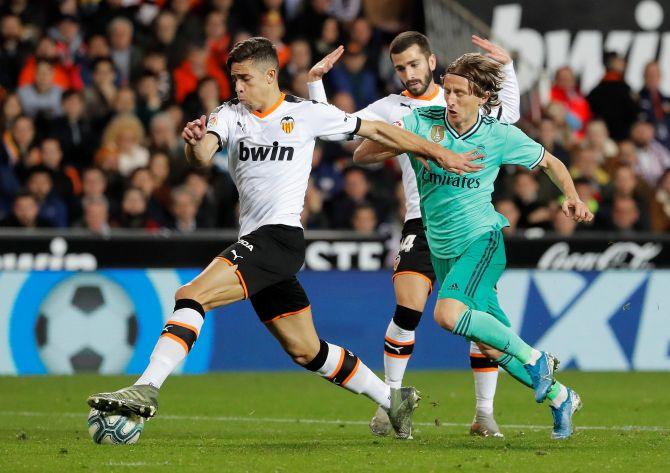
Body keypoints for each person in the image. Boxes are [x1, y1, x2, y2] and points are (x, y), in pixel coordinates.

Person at [86, 37, 480, 440]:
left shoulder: (306, 114)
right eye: (233, 79)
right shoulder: (229, 114)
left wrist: (440, 153)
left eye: (245, 79)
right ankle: (393, 400)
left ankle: (148, 386)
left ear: (270, 75)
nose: (238, 88)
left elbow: (378, 129)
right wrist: (193, 144)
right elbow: (203, 155)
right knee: (306, 350)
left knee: (191, 295)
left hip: (280, 237)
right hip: (258, 242)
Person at [354, 52, 595, 440]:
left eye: (459, 92)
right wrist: (416, 145)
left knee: (447, 315)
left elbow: (551, 162)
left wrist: (571, 196)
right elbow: (362, 153)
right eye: (447, 90)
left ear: (481, 97)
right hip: (441, 249)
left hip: (481, 241)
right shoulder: (422, 122)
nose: (448, 100)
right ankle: (560, 396)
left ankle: (538, 359)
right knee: (492, 342)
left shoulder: (497, 135)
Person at [308, 32, 520, 438]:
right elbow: (338, 130)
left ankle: (484, 413)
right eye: (401, 68)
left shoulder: (458, 96)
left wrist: (507, 69)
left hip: (472, 224)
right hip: (421, 222)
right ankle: (391, 401)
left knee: (476, 319)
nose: (408, 74)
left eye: (414, 65)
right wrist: (317, 83)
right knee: (408, 308)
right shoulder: (391, 109)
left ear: (432, 62)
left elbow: (507, 116)